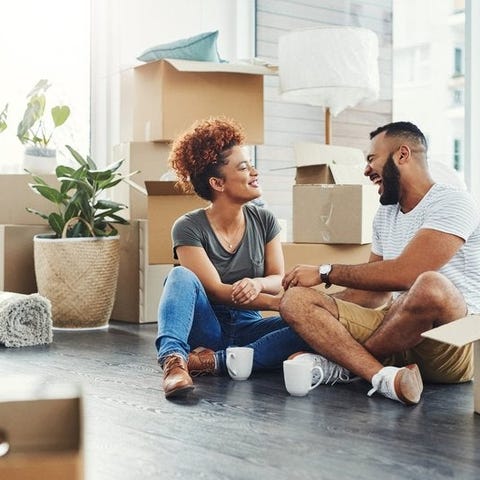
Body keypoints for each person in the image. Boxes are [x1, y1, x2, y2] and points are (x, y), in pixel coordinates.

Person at [279, 121, 480, 405]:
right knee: (295, 301)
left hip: (453, 341)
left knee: (430, 285)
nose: (366, 170)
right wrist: (311, 306)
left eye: (372, 158)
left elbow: (408, 275)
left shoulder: (453, 203)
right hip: (397, 331)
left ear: (402, 155)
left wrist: (326, 272)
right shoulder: (386, 215)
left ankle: (347, 368)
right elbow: (371, 295)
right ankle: (383, 377)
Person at [155, 117, 317, 399]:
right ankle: (174, 362)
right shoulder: (188, 226)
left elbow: (278, 278)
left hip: (248, 326)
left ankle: (211, 362)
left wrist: (258, 284)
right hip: (206, 327)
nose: (254, 172)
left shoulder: (264, 220)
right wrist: (280, 305)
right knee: (179, 275)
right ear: (217, 182)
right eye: (244, 167)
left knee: (317, 324)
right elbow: (216, 292)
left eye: (251, 165)